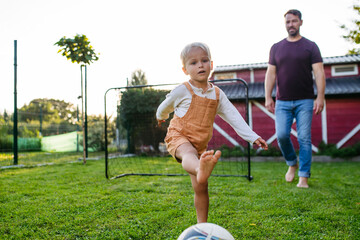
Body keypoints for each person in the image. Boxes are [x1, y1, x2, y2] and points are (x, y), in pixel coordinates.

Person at [156, 42, 268, 223]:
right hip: (179, 136)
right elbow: (163, 107)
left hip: (200, 144)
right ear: (185, 70)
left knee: (201, 186)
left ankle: (202, 226)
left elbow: (234, 117)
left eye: (204, 60)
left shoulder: (217, 94)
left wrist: (253, 137)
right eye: (193, 63)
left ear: (211, 65)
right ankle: (201, 167)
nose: (200, 65)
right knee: (188, 154)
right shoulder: (183, 90)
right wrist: (161, 116)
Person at [264, 9, 326, 188]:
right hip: (282, 101)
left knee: (304, 138)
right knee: (282, 135)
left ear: (301, 22)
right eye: (288, 22)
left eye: (294, 21)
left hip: (305, 100)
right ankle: (292, 163)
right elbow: (270, 73)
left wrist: (320, 97)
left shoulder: (311, 46)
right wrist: (268, 96)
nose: (291, 24)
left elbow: (319, 72)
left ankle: (303, 177)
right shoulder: (276, 47)